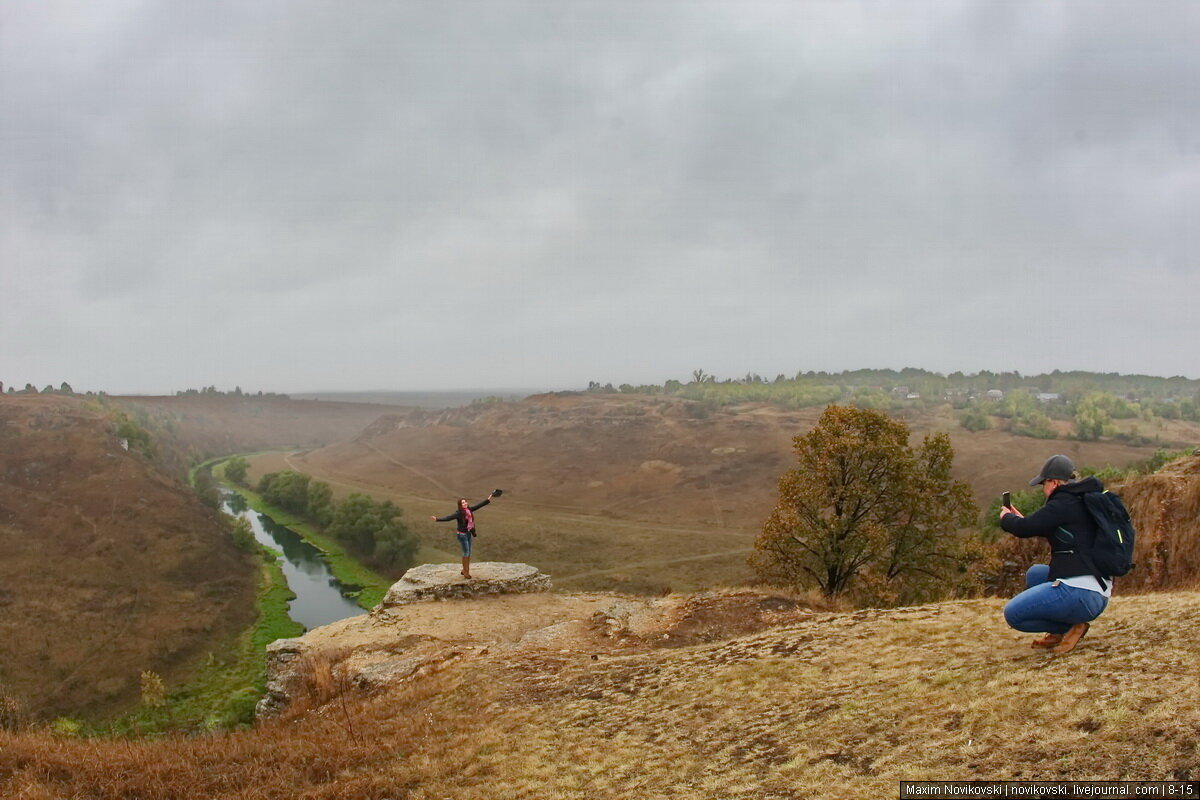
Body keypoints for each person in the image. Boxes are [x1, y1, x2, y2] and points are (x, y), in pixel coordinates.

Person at [999, 454, 1111, 654]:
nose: (1044, 489)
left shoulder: (1062, 502)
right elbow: (1050, 527)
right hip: (1098, 591)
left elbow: (1025, 528)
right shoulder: (1083, 499)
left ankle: (1068, 627)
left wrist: (1006, 519)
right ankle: (1059, 632)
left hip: (1080, 593)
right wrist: (1021, 520)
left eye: (1044, 483)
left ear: (1054, 482)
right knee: (1036, 573)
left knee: (1013, 614)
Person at [431, 492, 498, 579]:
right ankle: (466, 572)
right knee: (466, 552)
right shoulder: (459, 513)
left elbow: (478, 506)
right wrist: (437, 519)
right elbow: (449, 518)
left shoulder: (469, 510)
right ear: (460, 505)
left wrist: (488, 499)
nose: (465, 503)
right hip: (462, 535)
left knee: (468, 552)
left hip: (468, 533)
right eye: (463, 502)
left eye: (465, 502)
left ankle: (465, 570)